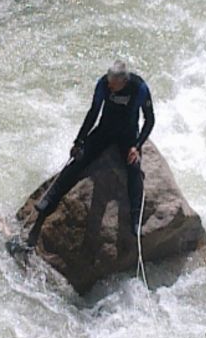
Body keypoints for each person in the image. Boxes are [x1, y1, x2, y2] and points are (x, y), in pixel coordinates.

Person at [32, 60, 155, 239]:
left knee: (134, 169)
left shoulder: (139, 88)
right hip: (104, 131)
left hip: (127, 135)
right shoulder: (103, 83)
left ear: (123, 82)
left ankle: (135, 218)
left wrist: (137, 146)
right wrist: (79, 141)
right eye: (108, 83)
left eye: (113, 85)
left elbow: (150, 120)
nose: (109, 87)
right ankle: (49, 199)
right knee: (79, 160)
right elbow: (93, 113)